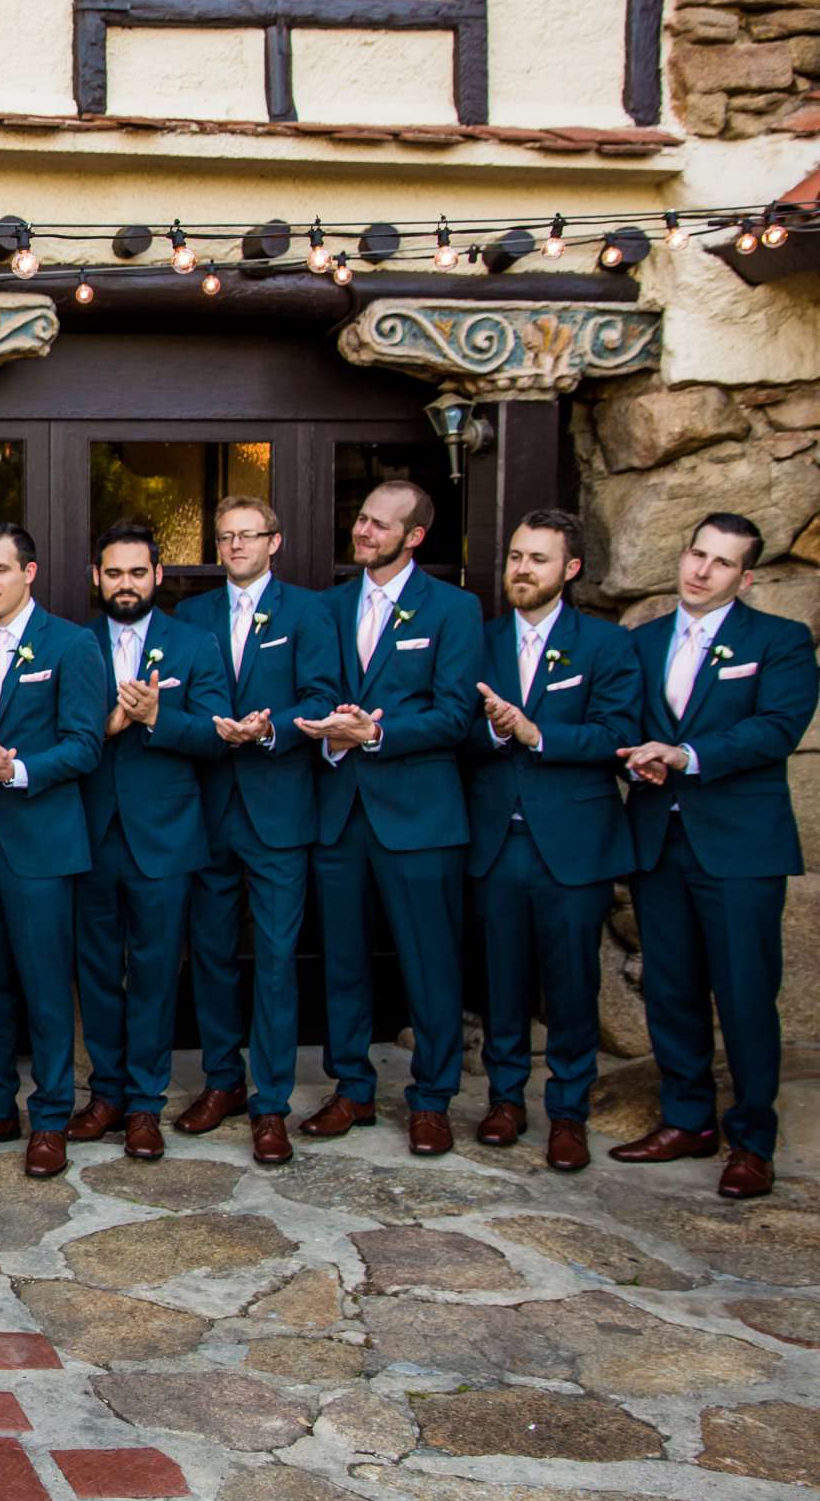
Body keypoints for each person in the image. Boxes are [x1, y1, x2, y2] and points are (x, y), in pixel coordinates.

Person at [616, 512, 818, 1199]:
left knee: (744, 995)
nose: (702, 571)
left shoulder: (780, 641)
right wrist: (636, 757)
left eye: (722, 563)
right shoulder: (640, 644)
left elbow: (776, 728)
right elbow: (623, 723)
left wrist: (688, 755)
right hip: (657, 839)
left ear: (745, 577)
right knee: (670, 988)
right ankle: (687, 1120)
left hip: (740, 846)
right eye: (697, 554)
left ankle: (752, 1140)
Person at [295, 482, 484, 1157]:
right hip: (341, 812)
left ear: (415, 536)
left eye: (379, 524)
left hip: (420, 816)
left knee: (428, 962)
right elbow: (315, 691)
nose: (363, 532)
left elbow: (456, 713)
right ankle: (351, 1087)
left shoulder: (454, 610)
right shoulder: (329, 607)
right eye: (362, 518)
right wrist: (326, 728)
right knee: (343, 960)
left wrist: (374, 733)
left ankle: (432, 1098)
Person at [463, 511, 639, 1173]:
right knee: (501, 982)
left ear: (569, 570)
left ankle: (569, 1112)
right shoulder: (480, 643)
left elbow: (615, 735)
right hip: (495, 843)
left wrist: (538, 734)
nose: (521, 569)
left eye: (537, 558)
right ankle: (505, 1100)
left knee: (572, 985)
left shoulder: (605, 646)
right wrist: (499, 733)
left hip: (572, 844)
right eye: (514, 556)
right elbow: (459, 731)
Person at [174, 496, 337, 1166]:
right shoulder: (192, 616)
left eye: (249, 535)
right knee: (209, 955)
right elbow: (182, 699)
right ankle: (222, 1083)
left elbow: (324, 699)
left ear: (276, 541)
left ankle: (270, 1102)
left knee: (274, 959)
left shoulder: (308, 612)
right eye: (225, 536)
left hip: (277, 809)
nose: (236, 545)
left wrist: (270, 729)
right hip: (210, 810)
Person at [70, 520, 229, 1163]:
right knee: (99, 972)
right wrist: (107, 725)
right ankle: (104, 1093)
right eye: (114, 573)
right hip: (91, 832)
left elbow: (218, 735)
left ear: (158, 577)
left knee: (158, 974)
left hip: (165, 837)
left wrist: (159, 716)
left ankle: (144, 1104)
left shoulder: (195, 645)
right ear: (96, 579)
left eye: (138, 573)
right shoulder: (74, 644)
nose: (126, 584)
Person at [0, 522, 100, 1180]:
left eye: (0, 570)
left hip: (40, 842)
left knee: (44, 987)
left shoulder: (71, 645)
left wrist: (13, 771)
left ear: (29, 572)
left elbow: (85, 744)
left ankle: (52, 1116)